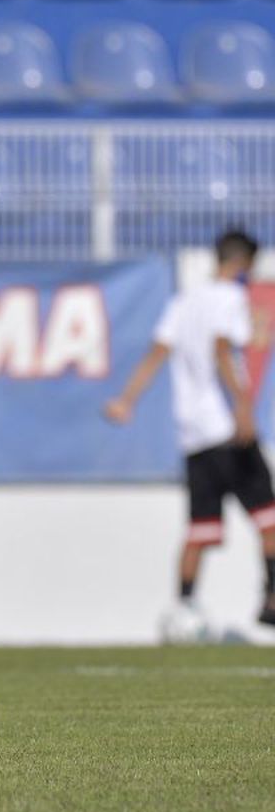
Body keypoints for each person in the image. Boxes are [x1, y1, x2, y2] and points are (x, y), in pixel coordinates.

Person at [106, 228, 275, 635]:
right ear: (241, 264)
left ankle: (183, 607)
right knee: (269, 519)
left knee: (200, 529)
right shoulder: (232, 299)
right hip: (225, 431)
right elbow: (222, 349)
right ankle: (271, 600)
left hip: (194, 436)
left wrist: (125, 399)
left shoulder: (182, 302)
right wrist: (243, 408)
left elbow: (157, 354)